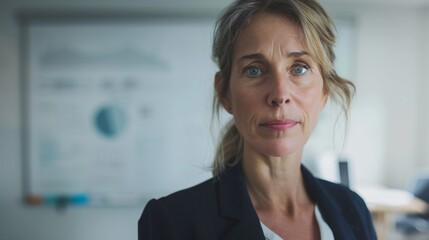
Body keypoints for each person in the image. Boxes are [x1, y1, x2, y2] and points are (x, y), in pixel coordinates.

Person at [138, 0, 377, 239]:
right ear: (225, 93)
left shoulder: (352, 209)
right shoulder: (173, 221)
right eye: (255, 70)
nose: (280, 95)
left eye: (299, 68)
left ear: (324, 91)